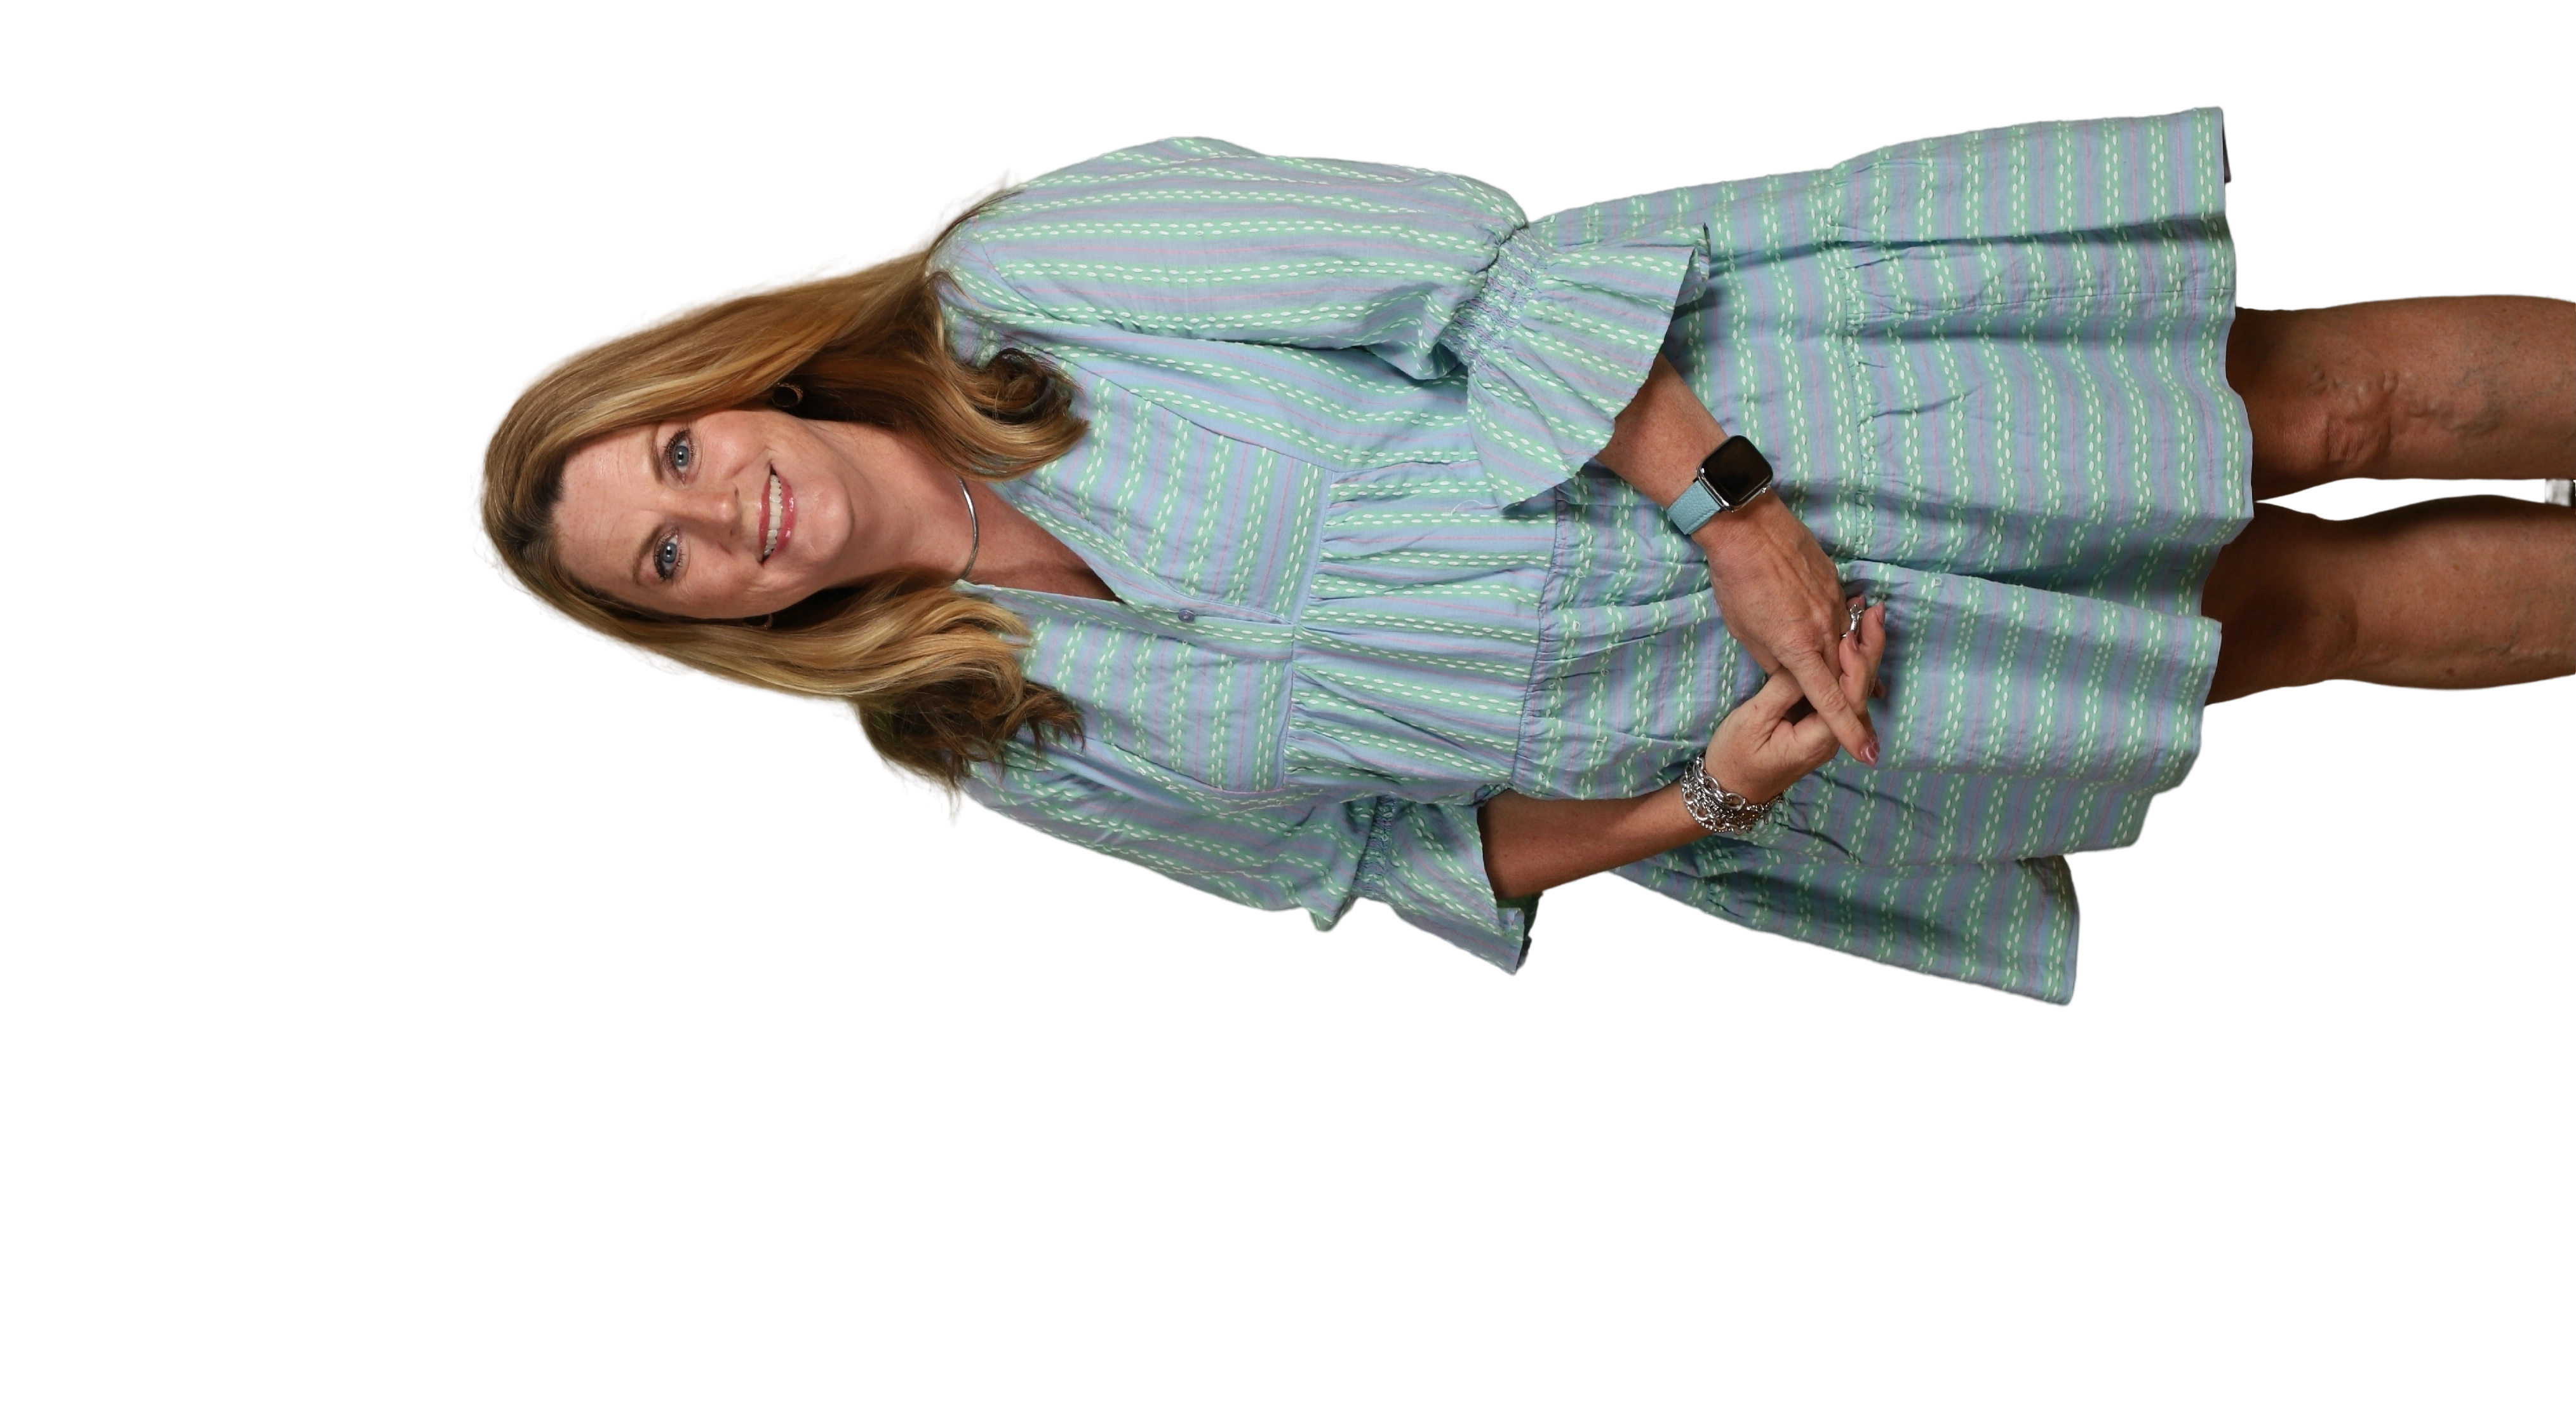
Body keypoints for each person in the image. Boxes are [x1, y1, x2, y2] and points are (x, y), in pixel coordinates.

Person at [467, 107, 2576, 1007]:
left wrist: (1735, 513)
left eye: (680, 454)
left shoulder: (1036, 268)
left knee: (2316, 416)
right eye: (669, 562)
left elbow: (1470, 269)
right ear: (713, 629)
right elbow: (1384, 854)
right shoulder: (981, 739)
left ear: (726, 378)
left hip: (1778, 421)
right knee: (2306, 623)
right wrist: (1704, 802)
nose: (719, 513)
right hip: (1788, 709)